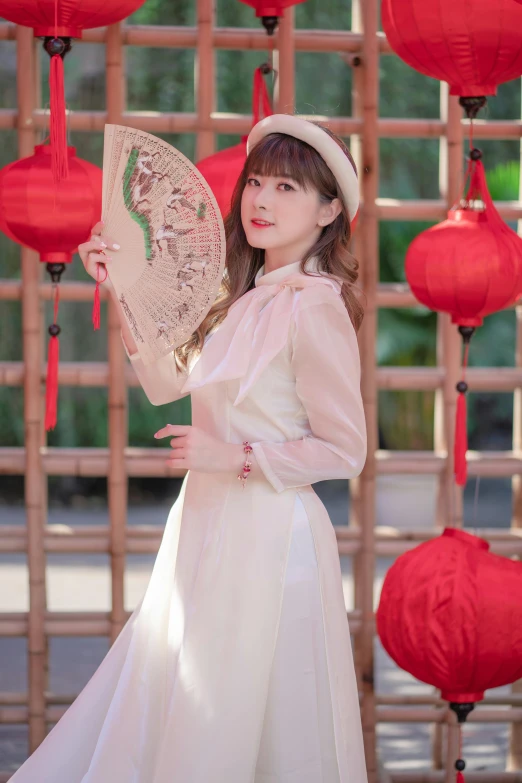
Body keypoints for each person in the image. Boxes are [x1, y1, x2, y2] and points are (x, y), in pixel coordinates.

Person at [10, 114, 368, 782]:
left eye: (287, 187)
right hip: (202, 522)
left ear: (329, 210)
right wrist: (121, 287)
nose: (260, 200)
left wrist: (231, 457)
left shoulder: (313, 305)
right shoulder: (239, 299)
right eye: (256, 182)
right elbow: (166, 382)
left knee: (237, 709)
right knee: (179, 701)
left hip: (269, 536)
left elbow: (345, 451)